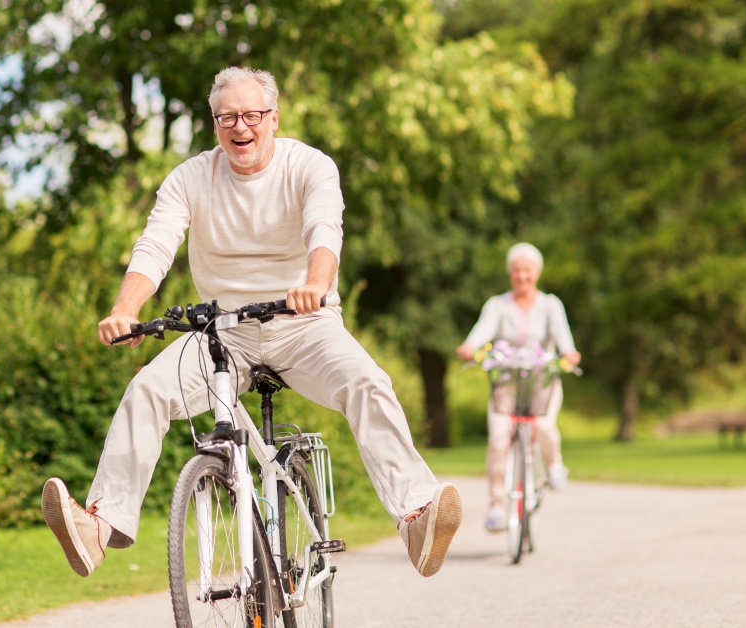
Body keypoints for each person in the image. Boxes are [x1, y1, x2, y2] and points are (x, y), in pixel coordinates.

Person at [40, 67, 462, 579]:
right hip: (222, 332)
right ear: (215, 124)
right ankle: (99, 527)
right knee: (147, 389)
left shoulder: (309, 166)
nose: (240, 127)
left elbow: (324, 229)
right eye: (227, 118)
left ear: (273, 118)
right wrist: (125, 309)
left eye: (251, 115)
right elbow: (155, 245)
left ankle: (416, 517)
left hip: (304, 324)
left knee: (367, 382)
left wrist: (315, 283)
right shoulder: (190, 177)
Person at [455, 243, 580, 533]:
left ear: (536, 273)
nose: (522, 276)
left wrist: (569, 353)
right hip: (507, 383)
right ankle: (497, 506)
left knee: (544, 425)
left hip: (542, 382)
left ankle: (555, 465)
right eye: (516, 271)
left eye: (527, 271)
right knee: (499, 439)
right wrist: (470, 347)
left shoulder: (551, 304)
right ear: (510, 273)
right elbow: (482, 331)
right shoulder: (498, 305)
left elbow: (564, 339)